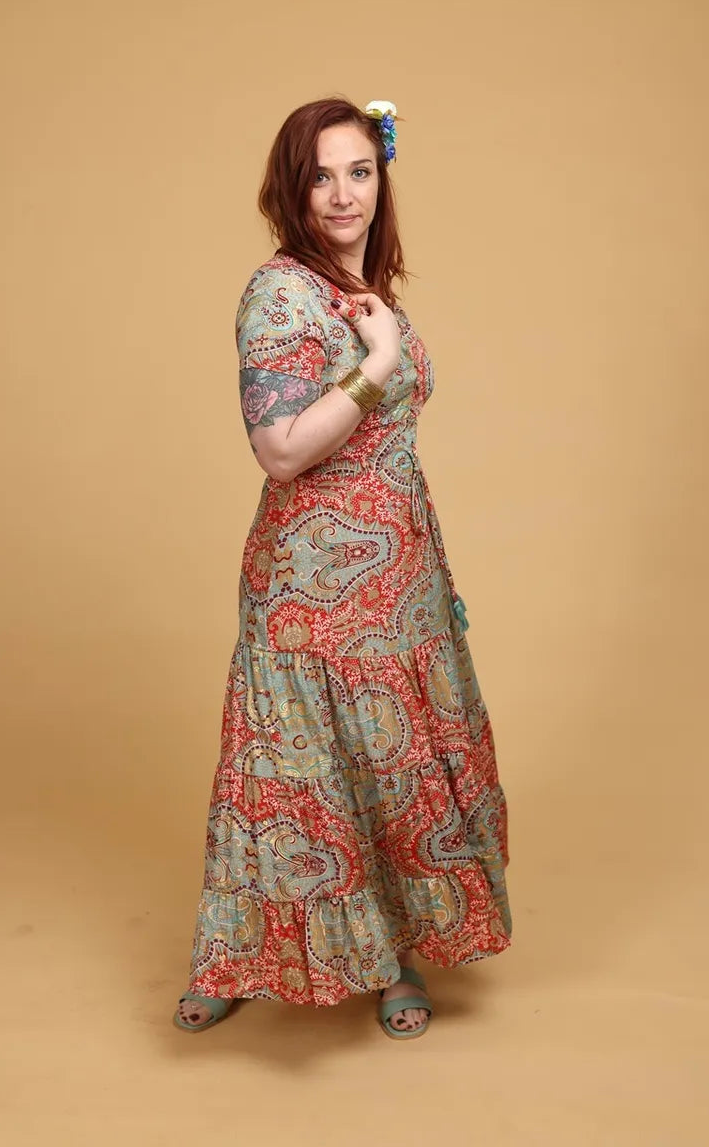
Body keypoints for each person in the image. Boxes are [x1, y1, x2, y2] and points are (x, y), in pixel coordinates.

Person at [173, 96, 512, 1040]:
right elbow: (281, 449)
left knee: (383, 771)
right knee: (292, 774)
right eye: (320, 176)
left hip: (400, 584)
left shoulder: (364, 292)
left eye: (359, 171)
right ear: (291, 189)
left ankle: (392, 955)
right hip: (311, 585)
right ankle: (236, 955)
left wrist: (385, 338)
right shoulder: (280, 293)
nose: (341, 194)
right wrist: (382, 359)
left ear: (380, 179)